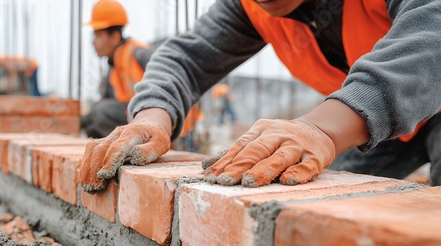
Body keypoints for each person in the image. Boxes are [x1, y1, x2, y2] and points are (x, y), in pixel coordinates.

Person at [78, 0, 441, 193]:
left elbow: (433, 31)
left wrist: (322, 129)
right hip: (377, 127)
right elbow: (184, 58)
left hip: (422, 107)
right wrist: (152, 116)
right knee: (315, 195)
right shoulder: (252, 7)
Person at [80, 0, 154, 138]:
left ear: (114, 37)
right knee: (93, 120)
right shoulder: (114, 65)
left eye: (98, 35)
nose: (93, 41)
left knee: (101, 112)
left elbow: (167, 68)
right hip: (133, 114)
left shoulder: (137, 52)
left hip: (152, 116)